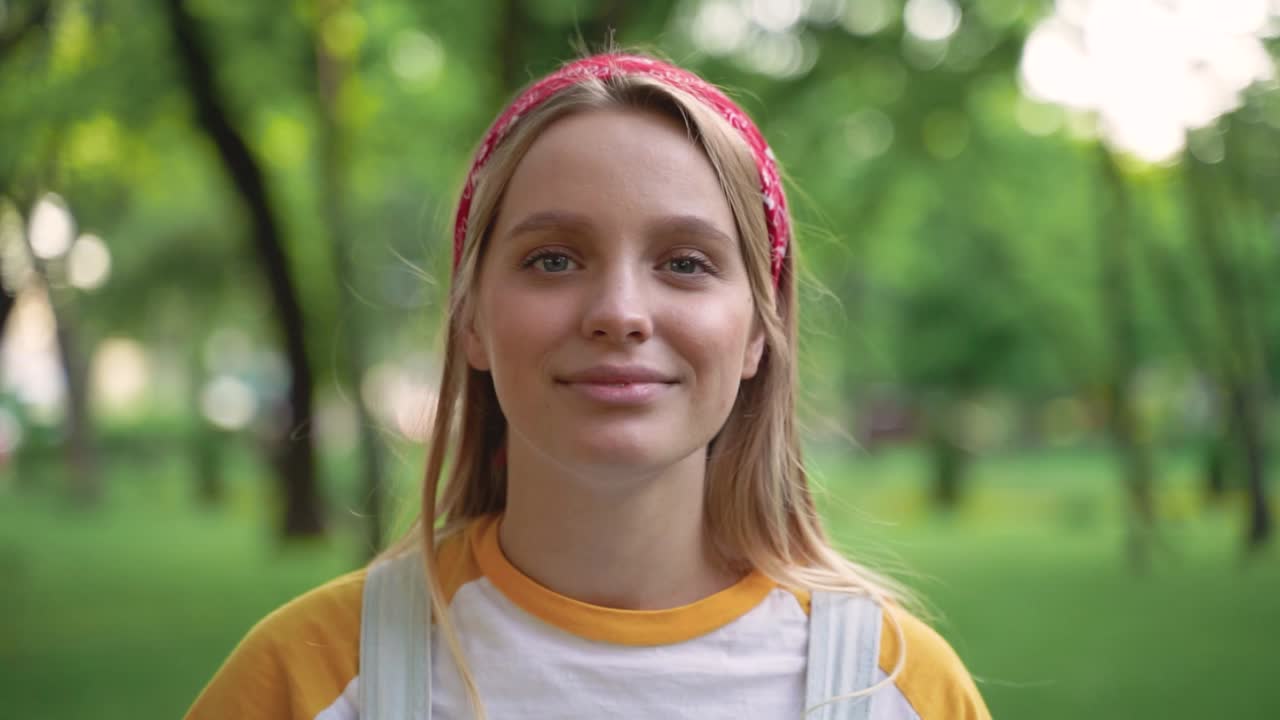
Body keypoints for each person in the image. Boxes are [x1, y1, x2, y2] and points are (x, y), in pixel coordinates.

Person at [185, 51, 991, 720]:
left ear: (757, 332)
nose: (619, 314)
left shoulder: (895, 688)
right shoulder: (307, 678)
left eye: (684, 263)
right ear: (470, 319)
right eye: (554, 260)